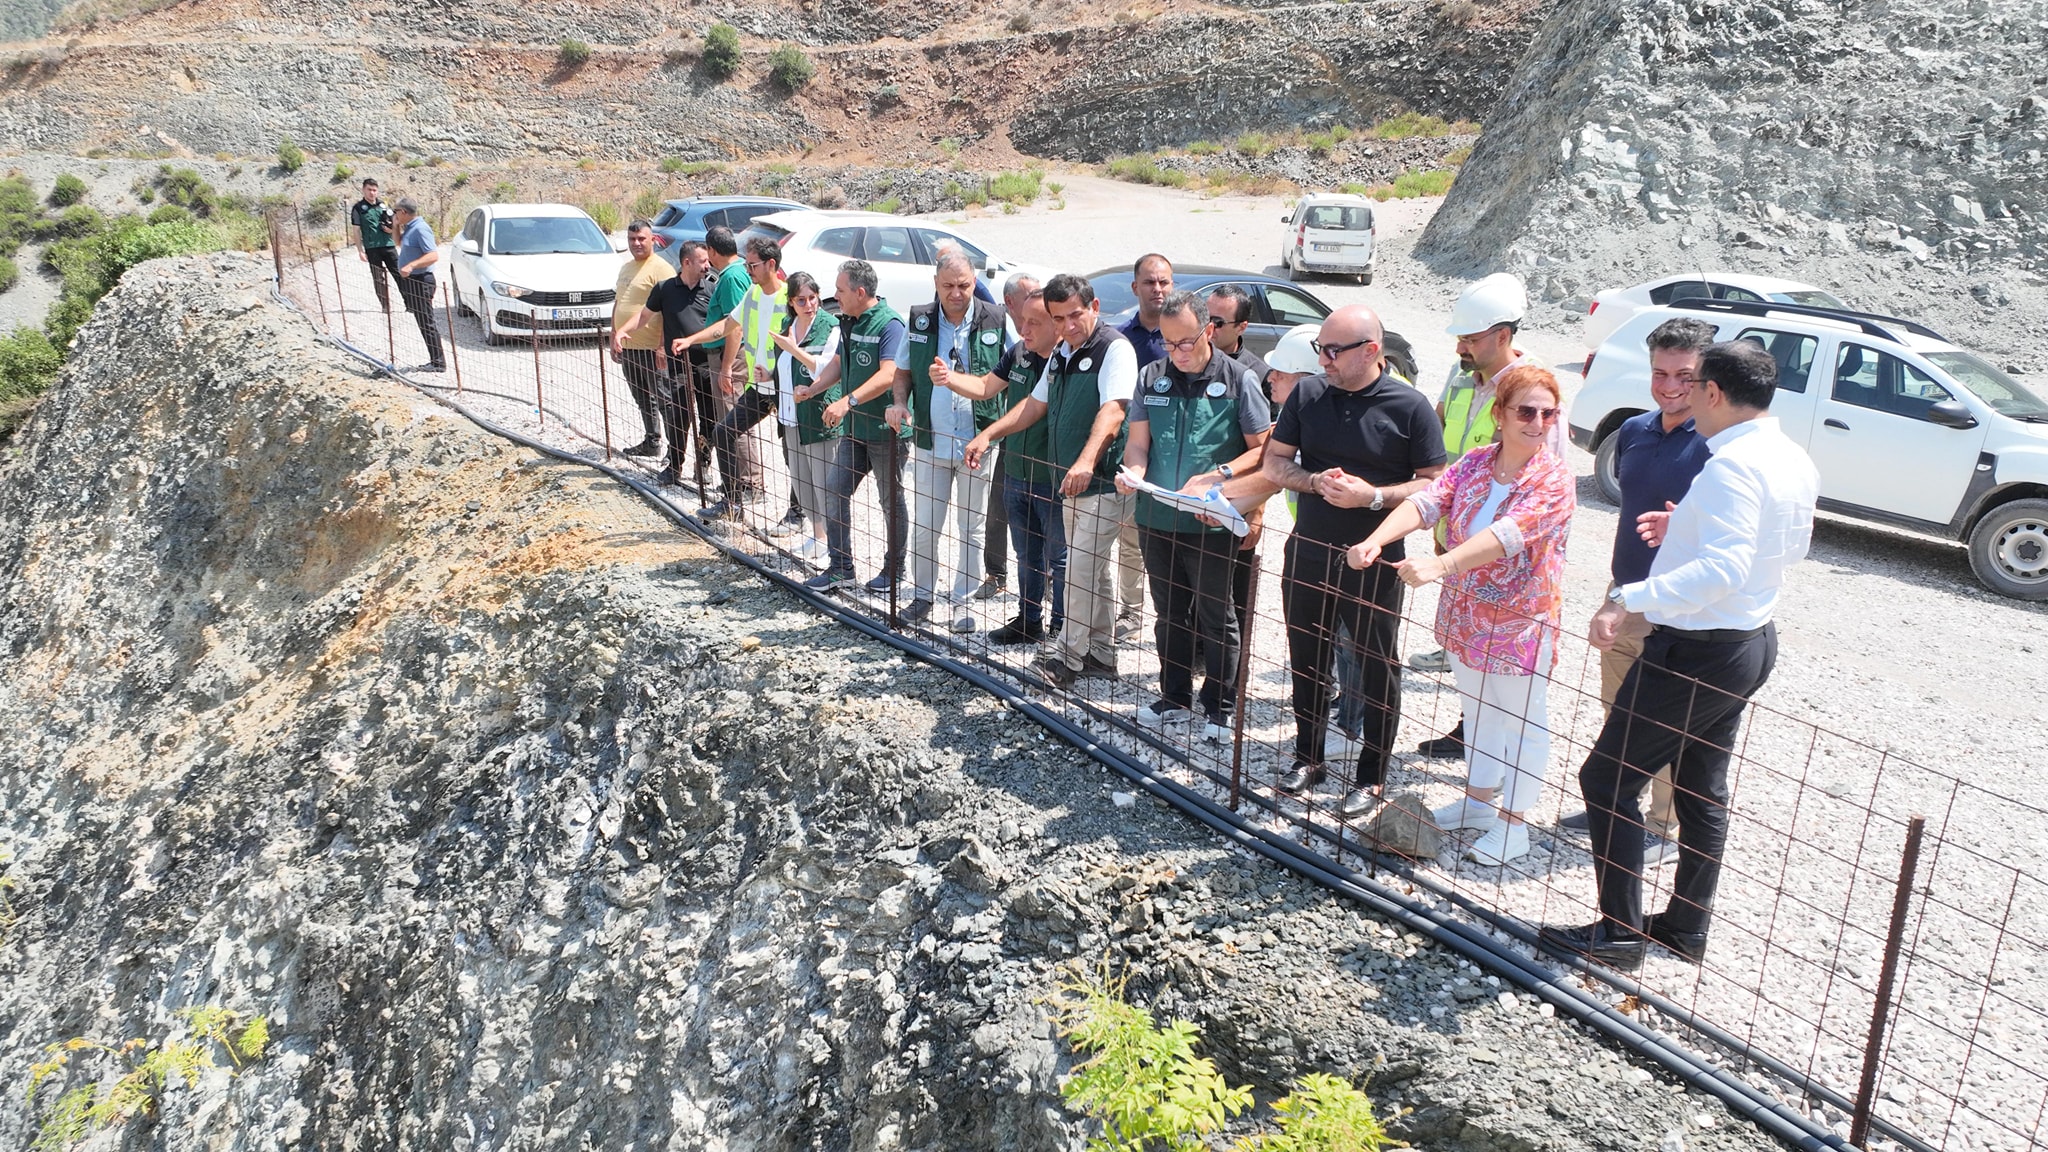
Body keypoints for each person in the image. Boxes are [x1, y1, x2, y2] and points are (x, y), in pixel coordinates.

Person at [1539, 340, 1819, 972]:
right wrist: (1684, 529)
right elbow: (1781, 548)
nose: (1686, 397)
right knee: (1700, 790)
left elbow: (1721, 569)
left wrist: (1627, 600)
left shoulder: (1731, 467)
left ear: (1713, 393)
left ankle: (1618, 933)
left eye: (1694, 387)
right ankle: (1686, 927)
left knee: (1606, 779)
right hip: (1747, 643)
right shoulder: (1790, 457)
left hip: (1695, 649)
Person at [1347, 366, 1577, 865]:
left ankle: (1514, 827)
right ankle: (1478, 803)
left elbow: (1509, 536)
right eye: (1526, 411)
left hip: (1519, 623)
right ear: (1500, 415)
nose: (1537, 421)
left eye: (1547, 412)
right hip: (1468, 617)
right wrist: (1375, 539)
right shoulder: (1476, 462)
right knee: (1478, 710)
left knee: (1521, 720)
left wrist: (1440, 564)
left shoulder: (1555, 479)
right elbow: (1429, 502)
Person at [1261, 305, 1446, 818]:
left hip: (1376, 558)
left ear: (1371, 351)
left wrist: (1373, 496)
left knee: (1376, 666)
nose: (1322, 360)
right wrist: (1313, 481)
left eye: (1332, 351)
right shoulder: (1309, 393)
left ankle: (1372, 777)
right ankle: (1308, 756)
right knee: (1306, 655)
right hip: (1310, 549)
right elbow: (1275, 462)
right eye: (1321, 348)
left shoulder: (1410, 407)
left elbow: (1435, 485)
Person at [1556, 317, 1718, 869]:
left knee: (1668, 720)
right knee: (1618, 707)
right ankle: (1621, 799)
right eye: (1659, 373)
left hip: (1683, 606)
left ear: (1707, 378)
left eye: (1684, 375)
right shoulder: (1634, 432)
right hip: (1625, 594)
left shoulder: (1719, 447)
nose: (1670, 386)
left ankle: (1663, 825)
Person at [1412, 273, 1562, 754]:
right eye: (1460, 337)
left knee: (1506, 677)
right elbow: (1440, 440)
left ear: (1502, 336)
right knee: (1469, 655)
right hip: (1457, 533)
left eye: (1471, 338)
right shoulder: (1461, 380)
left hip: (1507, 558)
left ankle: (1490, 765)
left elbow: (1541, 492)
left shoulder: (1533, 397)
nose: (1462, 347)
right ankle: (1474, 740)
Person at [965, 273, 1135, 686]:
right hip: (1070, 484)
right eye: (1058, 319)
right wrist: (989, 434)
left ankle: (1066, 656)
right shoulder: (1061, 356)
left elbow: (1114, 410)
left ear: (1094, 308)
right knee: (1093, 571)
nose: (1066, 326)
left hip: (1103, 483)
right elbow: (1034, 406)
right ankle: (1101, 654)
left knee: (1077, 568)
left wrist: (1086, 461)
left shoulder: (1115, 349)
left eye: (1074, 315)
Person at [1117, 291, 1272, 740]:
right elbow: (1139, 443)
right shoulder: (1152, 376)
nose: (1177, 352)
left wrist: (1222, 479)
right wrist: (1134, 474)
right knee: (1168, 613)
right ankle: (1174, 694)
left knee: (1216, 613)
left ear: (1209, 331)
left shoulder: (1240, 380)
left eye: (1185, 342)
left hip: (1210, 522)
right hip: (1157, 517)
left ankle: (1221, 704)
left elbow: (1264, 452)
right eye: (1167, 343)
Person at [887, 252, 1008, 631]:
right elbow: (902, 371)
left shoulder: (997, 320)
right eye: (948, 286)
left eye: (964, 285)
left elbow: (1019, 367)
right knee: (926, 524)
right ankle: (923, 596)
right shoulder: (920, 320)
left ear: (974, 282)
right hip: (929, 441)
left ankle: (963, 602)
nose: (957, 294)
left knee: (971, 526)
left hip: (977, 444)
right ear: (936, 285)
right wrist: (898, 403)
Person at [808, 260, 909, 593]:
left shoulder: (889, 324)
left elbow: (888, 373)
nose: (834, 295)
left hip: (885, 434)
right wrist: (813, 389)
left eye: (839, 290)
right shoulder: (848, 321)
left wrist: (847, 401)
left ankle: (894, 570)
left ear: (860, 292)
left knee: (890, 502)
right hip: (856, 432)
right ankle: (841, 568)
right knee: (835, 489)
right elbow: (838, 363)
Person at [976, 284, 1065, 646]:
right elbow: (986, 387)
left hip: (1052, 476)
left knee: (1059, 559)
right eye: (1022, 321)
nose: (1024, 329)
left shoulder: (1067, 363)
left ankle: (1061, 629)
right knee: (1026, 553)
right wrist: (949, 379)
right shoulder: (1018, 353)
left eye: (1034, 322)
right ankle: (1029, 620)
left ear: (1057, 324)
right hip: (1015, 470)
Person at [701, 235, 790, 521]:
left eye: (752, 265)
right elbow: (728, 326)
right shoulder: (752, 294)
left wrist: (776, 374)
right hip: (758, 389)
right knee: (723, 432)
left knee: (793, 453)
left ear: (771, 264)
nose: (747, 270)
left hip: (785, 389)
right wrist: (690, 339)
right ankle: (732, 503)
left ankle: (797, 511)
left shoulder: (790, 298)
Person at [670, 226, 759, 507]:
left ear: (712, 250)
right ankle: (738, 480)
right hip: (724, 355)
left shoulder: (732, 278)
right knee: (732, 418)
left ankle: (748, 483)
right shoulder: (732, 274)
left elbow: (736, 327)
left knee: (735, 420)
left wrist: (727, 367)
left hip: (728, 357)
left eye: (707, 254)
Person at [615, 238, 712, 487]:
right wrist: (621, 331)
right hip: (677, 365)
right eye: (702, 261)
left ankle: (703, 464)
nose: (707, 266)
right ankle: (675, 465)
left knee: (709, 418)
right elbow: (644, 316)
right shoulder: (665, 289)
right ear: (686, 262)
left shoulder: (711, 288)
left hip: (706, 365)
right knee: (678, 417)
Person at [1111, 254, 1173, 642]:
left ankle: (1177, 622)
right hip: (1133, 455)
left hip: (1175, 456)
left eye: (1164, 282)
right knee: (1131, 540)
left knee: (1173, 548)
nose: (1158, 289)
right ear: (1135, 288)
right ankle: (1132, 613)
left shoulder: (1183, 336)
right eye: (1150, 283)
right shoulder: (1121, 339)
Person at [773, 271, 841, 567]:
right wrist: (767, 375)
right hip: (790, 415)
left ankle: (833, 544)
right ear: (791, 302)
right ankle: (817, 534)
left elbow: (823, 369)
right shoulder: (788, 326)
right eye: (801, 300)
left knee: (824, 481)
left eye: (812, 298)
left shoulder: (830, 326)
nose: (809, 304)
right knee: (802, 480)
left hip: (818, 415)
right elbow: (782, 366)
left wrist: (794, 351)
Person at [608, 220, 670, 460]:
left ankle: (674, 451)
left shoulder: (661, 269)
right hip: (629, 346)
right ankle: (652, 441)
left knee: (665, 400)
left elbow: (667, 310)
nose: (636, 244)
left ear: (652, 239)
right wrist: (614, 334)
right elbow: (619, 302)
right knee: (642, 397)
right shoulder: (626, 268)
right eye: (632, 239)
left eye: (641, 239)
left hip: (651, 347)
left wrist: (663, 346)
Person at [391, 197, 445, 373]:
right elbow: (398, 243)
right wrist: (395, 226)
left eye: (396, 212)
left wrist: (411, 265)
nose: (395, 215)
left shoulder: (421, 229)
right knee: (423, 321)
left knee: (427, 322)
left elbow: (433, 255)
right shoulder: (409, 228)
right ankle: (435, 360)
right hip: (413, 281)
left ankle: (438, 362)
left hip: (421, 281)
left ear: (404, 212)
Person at [1205, 284, 1270, 388]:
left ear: (1241, 328)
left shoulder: (1259, 374)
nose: (1208, 326)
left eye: (1217, 322)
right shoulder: (1185, 361)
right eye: (1204, 318)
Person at [348, 178, 398, 312]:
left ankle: (410, 305)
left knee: (399, 274)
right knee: (378, 278)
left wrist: (392, 230)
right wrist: (360, 250)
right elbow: (356, 230)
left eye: (374, 190)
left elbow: (396, 222)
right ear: (363, 189)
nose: (372, 193)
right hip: (372, 247)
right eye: (369, 190)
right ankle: (385, 306)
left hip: (388, 245)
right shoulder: (358, 208)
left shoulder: (384, 205)